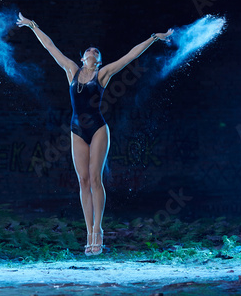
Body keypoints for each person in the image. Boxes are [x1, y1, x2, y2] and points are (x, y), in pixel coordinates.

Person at [16, 13, 173, 256]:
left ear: (99, 61)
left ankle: (97, 231)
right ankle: (87, 231)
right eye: (89, 50)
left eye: (96, 52)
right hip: (76, 129)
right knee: (83, 181)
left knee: (95, 179)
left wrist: (154, 38)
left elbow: (131, 55)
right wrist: (32, 25)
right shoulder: (71, 71)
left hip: (98, 128)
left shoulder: (103, 74)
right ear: (82, 57)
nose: (93, 52)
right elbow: (50, 47)